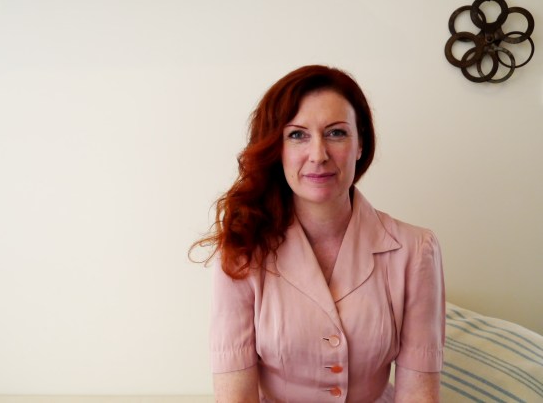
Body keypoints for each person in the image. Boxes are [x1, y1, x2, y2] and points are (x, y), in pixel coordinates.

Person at [191, 65, 445, 402]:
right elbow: (235, 397)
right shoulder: (243, 249)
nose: (318, 155)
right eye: (297, 135)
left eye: (336, 133)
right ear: (277, 149)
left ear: (360, 144)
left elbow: (418, 395)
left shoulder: (416, 249)